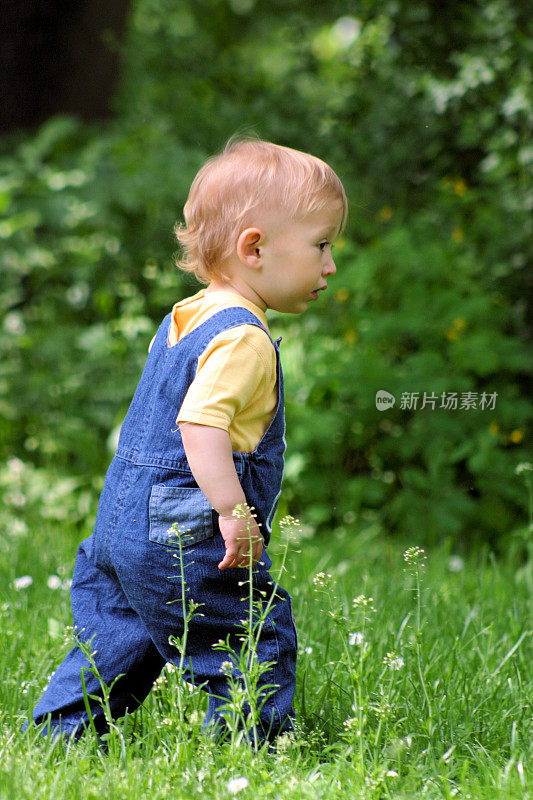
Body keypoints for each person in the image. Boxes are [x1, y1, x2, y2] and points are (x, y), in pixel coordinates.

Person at [24, 134, 348, 747]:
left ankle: (55, 737)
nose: (330, 265)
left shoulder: (186, 317)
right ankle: (244, 752)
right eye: (322, 246)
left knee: (118, 638)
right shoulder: (244, 339)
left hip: (121, 526)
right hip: (185, 531)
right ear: (254, 247)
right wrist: (233, 510)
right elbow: (200, 427)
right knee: (253, 631)